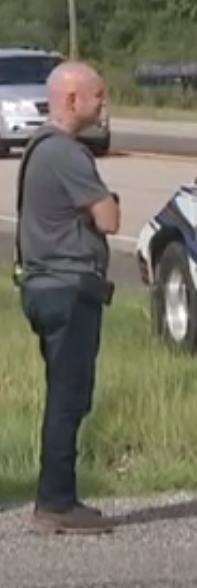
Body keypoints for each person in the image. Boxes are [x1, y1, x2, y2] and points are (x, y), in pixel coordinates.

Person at [16, 61, 120, 535]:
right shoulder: (66, 154)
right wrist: (108, 198)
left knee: (64, 393)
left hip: (41, 285)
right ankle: (56, 502)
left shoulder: (38, 149)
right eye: (98, 96)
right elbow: (110, 219)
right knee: (68, 397)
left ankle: (56, 497)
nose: (104, 104)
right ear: (72, 100)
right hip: (67, 288)